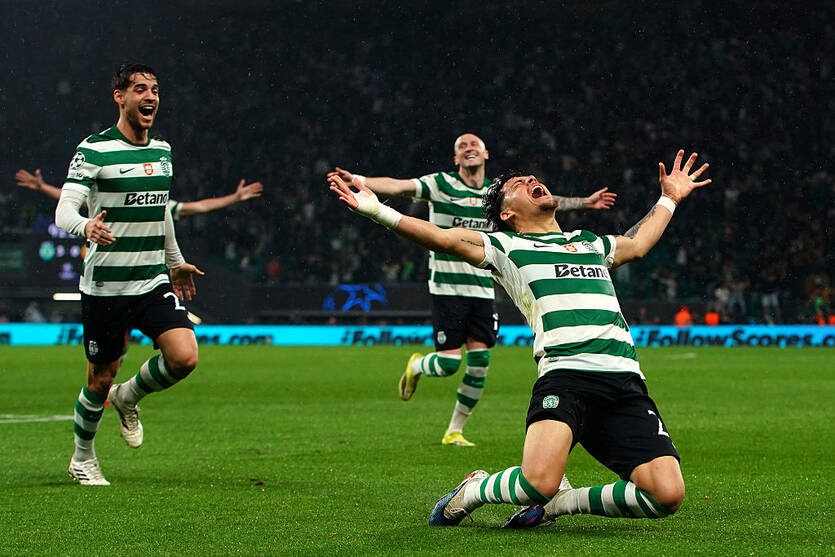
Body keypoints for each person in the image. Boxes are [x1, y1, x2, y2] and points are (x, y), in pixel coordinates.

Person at [327, 148, 710, 528]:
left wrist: (669, 198)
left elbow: (638, 245)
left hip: (625, 383)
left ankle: (563, 504)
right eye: (519, 184)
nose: (532, 181)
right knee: (537, 484)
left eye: (533, 179)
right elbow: (443, 239)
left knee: (666, 494)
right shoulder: (506, 247)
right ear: (507, 213)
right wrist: (378, 211)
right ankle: (473, 490)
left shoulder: (590, 242)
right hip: (567, 377)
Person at [327, 133, 616, 447]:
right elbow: (398, 186)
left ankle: (455, 430)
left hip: (482, 288)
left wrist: (585, 202)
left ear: (485, 153)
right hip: (448, 287)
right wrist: (359, 180)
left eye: (473, 144)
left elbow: (540, 202)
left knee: (479, 363)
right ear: (456, 159)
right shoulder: (441, 184)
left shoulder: (498, 195)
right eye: (461, 146)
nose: (468, 148)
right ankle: (417, 365)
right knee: (449, 364)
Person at [55, 63, 204, 486]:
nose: (150, 96)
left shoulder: (163, 151)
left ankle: (130, 395)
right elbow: (64, 210)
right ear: (119, 97)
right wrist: (85, 226)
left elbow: (161, 212)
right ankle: (83, 458)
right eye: (140, 89)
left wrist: (175, 262)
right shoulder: (95, 150)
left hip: (151, 280)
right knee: (99, 378)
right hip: (106, 287)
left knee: (185, 356)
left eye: (155, 89)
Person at [15, 168, 264, 220]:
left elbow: (200, 207)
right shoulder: (111, 202)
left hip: (148, 279)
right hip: (111, 275)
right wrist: (43, 187)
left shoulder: (156, 203)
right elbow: (72, 199)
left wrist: (233, 198)